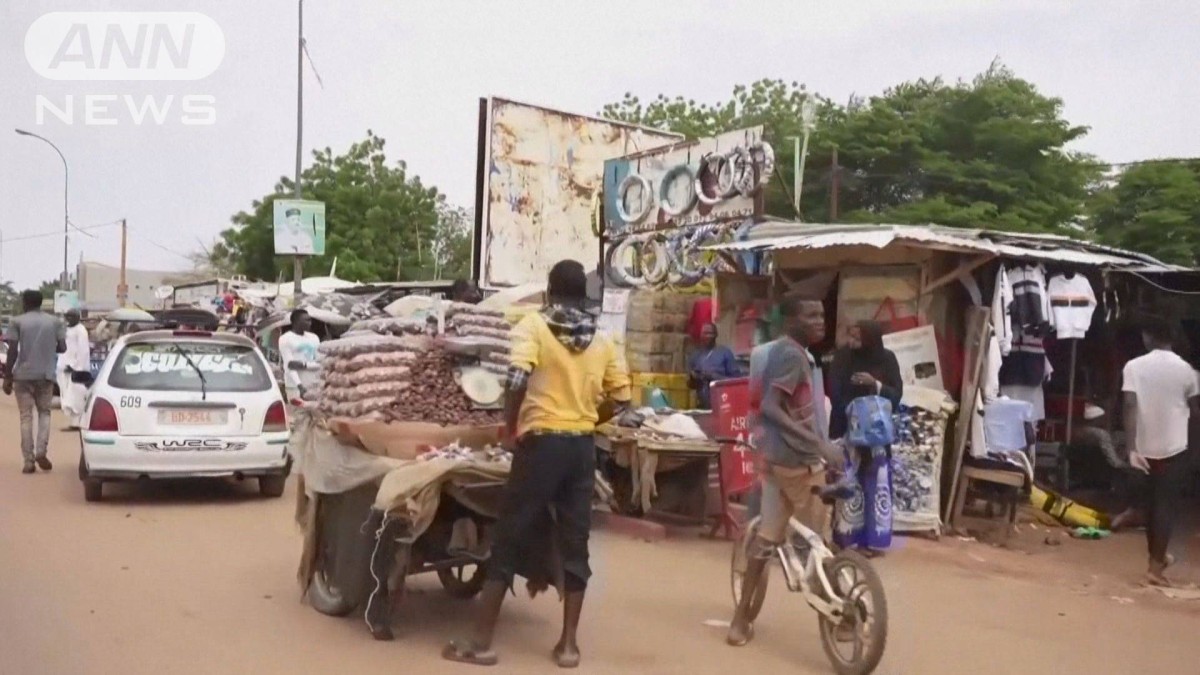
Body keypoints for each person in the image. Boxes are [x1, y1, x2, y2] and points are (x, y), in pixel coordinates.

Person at [444, 260, 631, 668]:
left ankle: (480, 642)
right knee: (575, 543)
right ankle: (568, 647)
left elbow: (515, 381)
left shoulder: (533, 327)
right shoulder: (602, 340)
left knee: (509, 536)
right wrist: (586, 422)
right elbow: (622, 399)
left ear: (548, 292)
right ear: (583, 295)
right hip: (581, 450)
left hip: (540, 446)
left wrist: (510, 428)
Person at [728, 293, 842, 648]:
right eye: (810, 315)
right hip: (799, 463)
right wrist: (819, 445)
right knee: (819, 542)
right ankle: (840, 616)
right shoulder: (793, 356)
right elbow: (772, 408)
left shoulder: (780, 351)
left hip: (775, 460)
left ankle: (740, 621)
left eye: (821, 314)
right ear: (791, 321)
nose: (820, 321)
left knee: (766, 541)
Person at [1120, 316, 1199, 586]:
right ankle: (1155, 566)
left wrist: (1131, 447)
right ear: (1172, 337)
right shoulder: (1187, 371)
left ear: (1146, 336)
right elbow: (1196, 410)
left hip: (1144, 446)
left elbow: (1129, 404)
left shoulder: (1133, 367)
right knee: (1164, 505)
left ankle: (1156, 560)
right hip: (1175, 446)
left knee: (1150, 506)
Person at [828, 320, 903, 553]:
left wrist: (876, 385)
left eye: (858, 339)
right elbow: (834, 390)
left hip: (876, 436)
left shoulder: (887, 359)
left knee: (875, 483)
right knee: (849, 482)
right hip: (847, 431)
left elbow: (896, 395)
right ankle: (846, 539)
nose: (853, 343)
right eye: (851, 337)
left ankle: (873, 540)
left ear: (871, 339)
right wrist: (852, 411)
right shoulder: (843, 358)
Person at [3, 290, 66, 474]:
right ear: (40, 303)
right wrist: (48, 347)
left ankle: (28, 461)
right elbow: (62, 347)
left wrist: (7, 377)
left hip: (22, 376)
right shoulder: (55, 322)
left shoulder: (17, 322)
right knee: (45, 413)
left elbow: (12, 351)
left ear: (25, 303)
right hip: (45, 376)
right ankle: (41, 451)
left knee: (26, 417)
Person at [687, 323, 741, 409]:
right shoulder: (695, 355)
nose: (707, 336)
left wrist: (713, 377)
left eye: (710, 333)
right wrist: (694, 378)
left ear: (716, 335)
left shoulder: (725, 353)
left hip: (722, 404)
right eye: (704, 333)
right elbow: (690, 385)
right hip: (702, 405)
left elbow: (736, 381)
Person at [58, 309, 92, 430]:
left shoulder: (81, 330)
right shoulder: (66, 329)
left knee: (76, 395)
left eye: (72, 317)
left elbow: (83, 350)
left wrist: (75, 367)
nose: (70, 319)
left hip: (76, 369)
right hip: (64, 366)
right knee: (67, 395)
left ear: (78, 317)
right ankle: (74, 423)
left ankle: (78, 423)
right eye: (68, 317)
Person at [277, 309, 321, 401]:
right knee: (299, 413)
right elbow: (289, 366)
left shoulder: (314, 338)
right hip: (295, 387)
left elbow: (320, 363)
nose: (310, 323)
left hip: (313, 384)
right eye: (306, 320)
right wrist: (299, 386)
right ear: (296, 322)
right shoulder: (285, 339)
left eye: (310, 320)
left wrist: (303, 365)